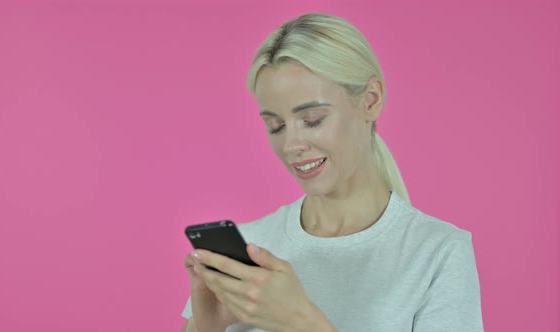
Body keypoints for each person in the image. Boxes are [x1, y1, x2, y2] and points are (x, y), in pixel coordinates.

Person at [181, 12, 484, 332]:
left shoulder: (437, 253)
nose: (291, 144)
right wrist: (206, 326)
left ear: (371, 100)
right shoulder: (252, 248)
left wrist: (301, 321)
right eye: (276, 126)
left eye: (312, 119)